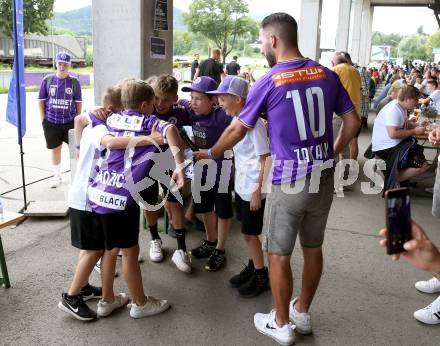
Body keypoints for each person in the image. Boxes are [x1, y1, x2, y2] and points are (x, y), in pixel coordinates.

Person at [194, 13, 360, 345]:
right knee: (313, 248)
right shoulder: (327, 74)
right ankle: (302, 311)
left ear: (273, 40)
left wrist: (211, 153)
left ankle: (281, 323)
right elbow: (352, 122)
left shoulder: (269, 80)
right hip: (321, 179)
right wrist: (330, 154)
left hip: (289, 180)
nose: (260, 46)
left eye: (260, 41)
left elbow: (237, 129)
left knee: (279, 253)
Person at [59, 85, 166, 321]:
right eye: (120, 113)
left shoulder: (97, 124)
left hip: (95, 195)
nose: (125, 120)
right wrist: (153, 137)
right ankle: (72, 295)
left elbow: (79, 119)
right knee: (96, 249)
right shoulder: (103, 129)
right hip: (91, 198)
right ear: (110, 111)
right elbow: (113, 144)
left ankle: (103, 296)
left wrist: (78, 148)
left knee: (107, 248)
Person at [87, 79, 184, 319]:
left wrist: (94, 110)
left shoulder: (110, 118)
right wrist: (180, 165)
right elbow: (170, 130)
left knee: (110, 250)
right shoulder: (147, 121)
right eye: (153, 103)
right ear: (144, 105)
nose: (155, 107)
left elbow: (87, 118)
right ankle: (140, 303)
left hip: (99, 193)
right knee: (130, 251)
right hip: (122, 197)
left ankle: (106, 300)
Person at [208, 75, 271, 297]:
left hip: (255, 188)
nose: (219, 103)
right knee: (247, 232)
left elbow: (266, 158)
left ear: (237, 99)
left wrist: (256, 192)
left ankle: (262, 276)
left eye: (223, 99)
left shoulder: (254, 125)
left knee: (249, 234)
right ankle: (254, 267)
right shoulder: (238, 120)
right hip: (244, 185)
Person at [182, 76, 234, 272]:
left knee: (223, 211)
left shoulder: (222, 115)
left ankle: (220, 249)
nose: (193, 102)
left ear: (213, 100)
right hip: (200, 169)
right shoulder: (190, 112)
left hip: (221, 170)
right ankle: (210, 241)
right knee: (205, 208)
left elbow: (244, 117)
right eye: (192, 97)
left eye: (198, 98)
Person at [144, 74, 192, 272]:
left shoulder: (182, 111)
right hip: (146, 162)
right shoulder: (144, 107)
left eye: (165, 99)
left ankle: (181, 249)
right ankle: (155, 239)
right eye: (156, 98)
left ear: (175, 97)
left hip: (171, 164)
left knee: (175, 203)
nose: (160, 103)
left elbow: (202, 114)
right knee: (150, 202)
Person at [372, 85, 431, 191]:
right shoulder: (394, 110)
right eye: (416, 99)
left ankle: (397, 180)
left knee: (422, 164)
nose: (417, 102)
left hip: (393, 145)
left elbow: (403, 125)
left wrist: (417, 124)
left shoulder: (401, 107)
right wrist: (414, 131)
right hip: (386, 148)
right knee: (422, 166)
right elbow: (393, 134)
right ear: (408, 99)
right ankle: (391, 180)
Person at [38, 52, 82, 188]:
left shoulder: (74, 82)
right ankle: (57, 176)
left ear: (69, 65)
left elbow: (78, 102)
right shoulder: (47, 80)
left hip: (69, 121)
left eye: (65, 64)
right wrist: (43, 120)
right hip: (51, 122)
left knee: (75, 150)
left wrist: (77, 120)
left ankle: (77, 177)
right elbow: (41, 101)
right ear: (56, 64)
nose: (62, 66)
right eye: (60, 64)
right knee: (55, 149)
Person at [331, 51, 362, 161]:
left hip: (341, 113)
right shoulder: (355, 71)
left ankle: (332, 172)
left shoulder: (335, 70)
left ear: (333, 63)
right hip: (356, 113)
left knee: (335, 144)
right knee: (348, 144)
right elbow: (360, 91)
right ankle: (346, 173)